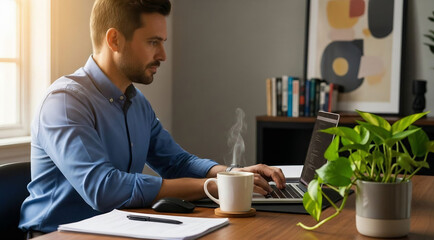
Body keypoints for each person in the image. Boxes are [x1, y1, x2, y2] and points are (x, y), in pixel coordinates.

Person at [19, 0, 286, 235]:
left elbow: (177, 162)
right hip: (55, 235)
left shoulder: (137, 102)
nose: (163, 55)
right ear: (114, 40)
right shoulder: (64, 102)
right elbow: (104, 189)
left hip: (115, 229)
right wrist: (212, 186)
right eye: (153, 42)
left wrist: (230, 175)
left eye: (162, 42)